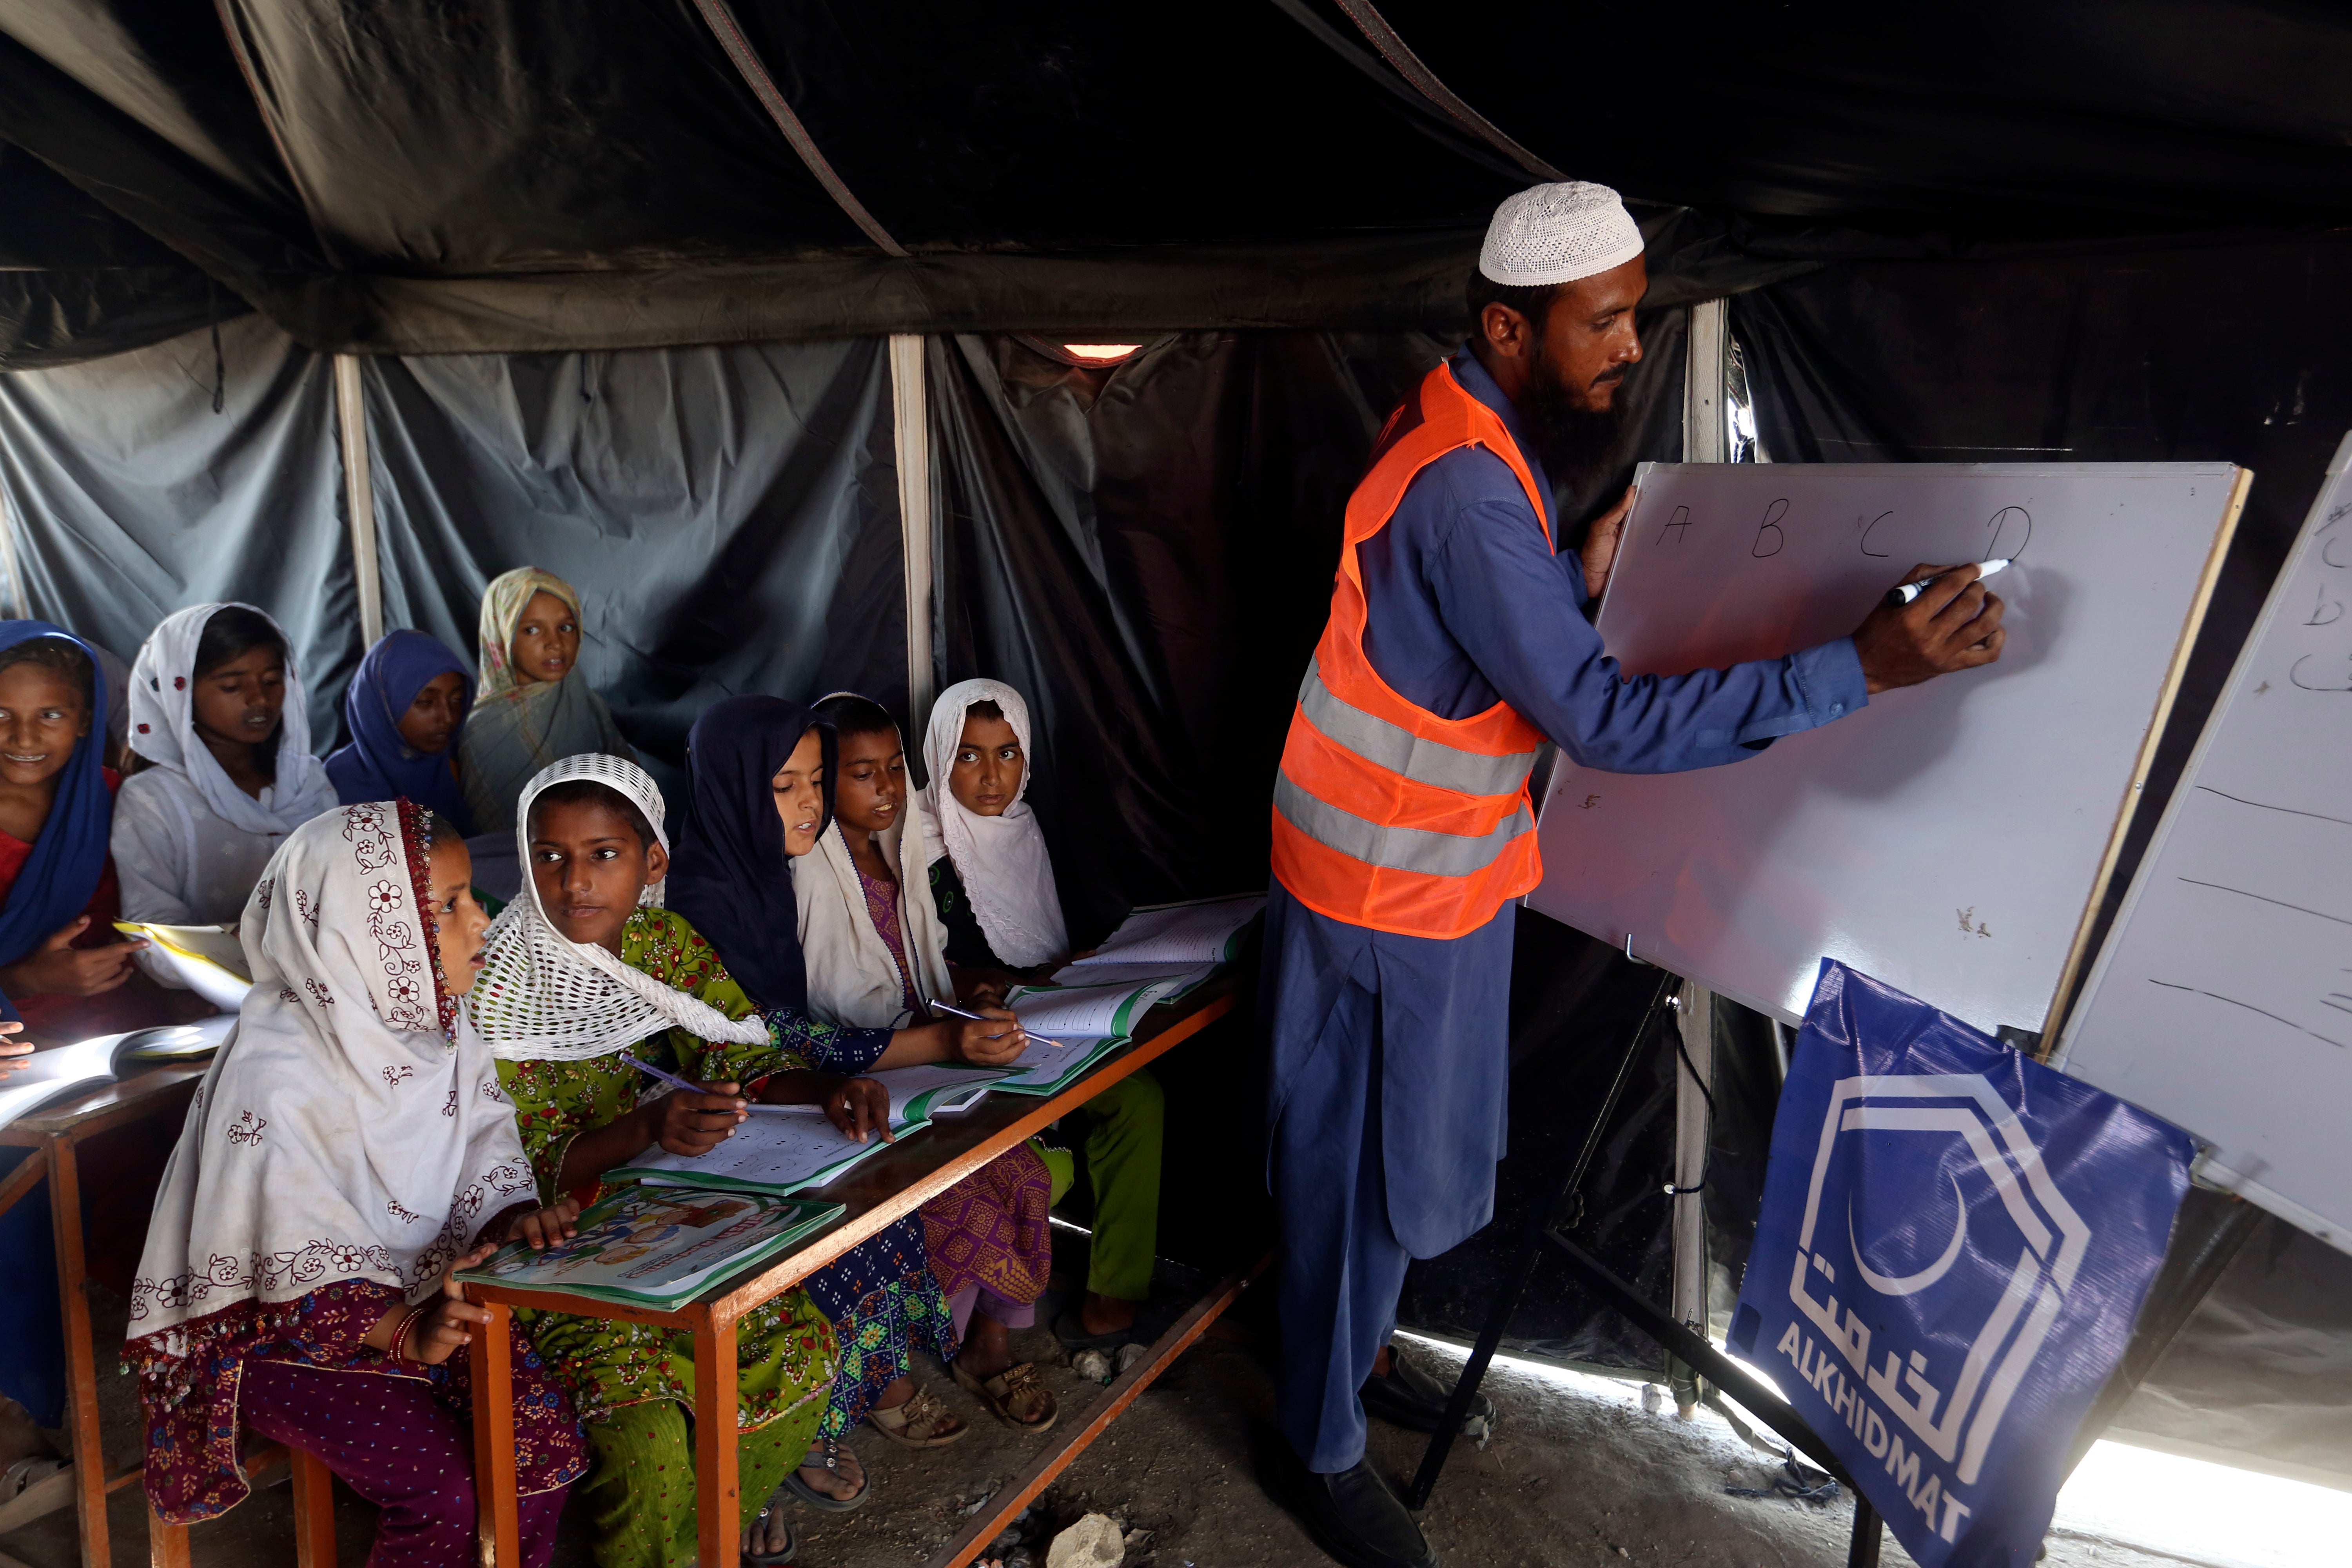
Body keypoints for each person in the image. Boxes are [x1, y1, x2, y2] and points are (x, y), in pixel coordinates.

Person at [1259, 183, 2007, 1568]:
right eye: (1600, 322)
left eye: (1635, 316)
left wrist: (1566, 568)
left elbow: (1461, 628)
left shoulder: (1460, 418)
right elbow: (1599, 717)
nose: (1629, 346)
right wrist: (1859, 668)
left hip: (1419, 882)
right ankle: (1316, 1442)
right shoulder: (1471, 492)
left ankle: (1347, 1361)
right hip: (1382, 900)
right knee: (1357, 1172)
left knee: (1398, 1161)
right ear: (1509, 326)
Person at [125, 799, 585, 1566]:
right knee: (444, 1490)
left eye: (469, 897)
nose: (482, 921)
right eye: (448, 906)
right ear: (369, 933)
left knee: (543, 1451)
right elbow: (289, 1255)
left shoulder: (443, 1028)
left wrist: (513, 1223)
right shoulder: (278, 1070)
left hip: (428, 1298)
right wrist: (406, 1333)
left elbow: (483, 1150)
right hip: (282, 1334)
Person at [466, 753, 854, 1567]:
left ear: (653, 863)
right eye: (549, 854)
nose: (574, 880)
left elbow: (740, 1054)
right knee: (646, 1436)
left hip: (670, 1217)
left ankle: (699, 1541)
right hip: (547, 1245)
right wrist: (647, 1127)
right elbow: (510, 1172)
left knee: (806, 1352)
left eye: (603, 854)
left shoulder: (661, 943)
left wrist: (826, 1090)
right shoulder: (498, 982)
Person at [666, 695, 1059, 1478]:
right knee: (882, 1203)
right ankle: (860, 1395)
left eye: (815, 781)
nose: (808, 803)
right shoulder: (706, 901)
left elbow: (782, 1039)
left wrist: (848, 1072)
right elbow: (763, 1038)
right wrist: (916, 1048)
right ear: (736, 785)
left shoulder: (764, 875)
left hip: (797, 1090)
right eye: (787, 784)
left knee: (1010, 1165)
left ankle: (940, 1356)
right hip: (720, 1124)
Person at [920, 679, 1165, 1349]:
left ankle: (1113, 1298)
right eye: (968, 755)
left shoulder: (1026, 832)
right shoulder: (918, 844)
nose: (991, 776)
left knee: (1139, 1101)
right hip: (963, 1044)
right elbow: (919, 969)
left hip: (1045, 1023)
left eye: (1008, 753)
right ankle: (985, 1329)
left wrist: (1067, 972)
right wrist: (1008, 984)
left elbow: (1039, 950)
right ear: (939, 757)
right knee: (1048, 1166)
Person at [111, 603, 339, 961]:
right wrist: (245, 946)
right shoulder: (153, 799)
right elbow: (153, 930)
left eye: (272, 681)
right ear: (179, 692)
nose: (259, 699)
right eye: (232, 686)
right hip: (213, 988)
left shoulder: (307, 779)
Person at [457, 568, 631, 837]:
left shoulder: (581, 696)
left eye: (566, 628)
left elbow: (627, 785)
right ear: (502, 634)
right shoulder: (484, 732)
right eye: (532, 630)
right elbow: (497, 836)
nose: (555, 643)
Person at [326, 630, 477, 833]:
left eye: (457, 700)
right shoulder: (331, 787)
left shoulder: (456, 769)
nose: (448, 717)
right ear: (383, 705)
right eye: (426, 702)